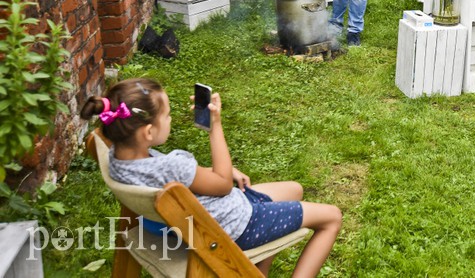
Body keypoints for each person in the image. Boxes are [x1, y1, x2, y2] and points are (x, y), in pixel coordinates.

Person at [80, 79, 342, 277]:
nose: (171, 120)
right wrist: (215, 127)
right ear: (148, 132)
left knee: (294, 189)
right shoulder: (173, 167)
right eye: (168, 115)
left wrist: (223, 174)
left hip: (198, 218)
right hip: (233, 227)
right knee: (331, 217)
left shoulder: (119, 158)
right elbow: (222, 185)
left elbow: (201, 179)